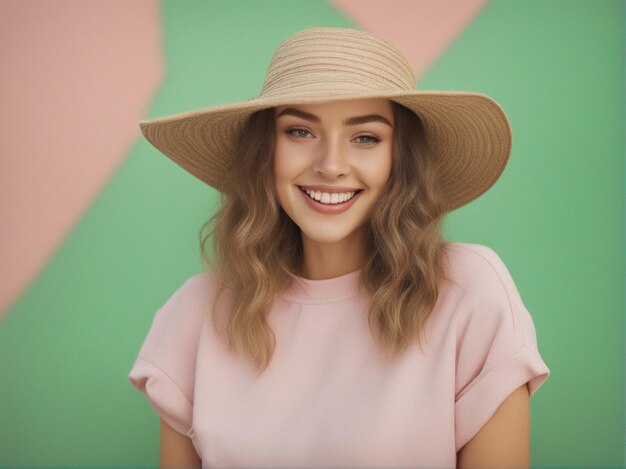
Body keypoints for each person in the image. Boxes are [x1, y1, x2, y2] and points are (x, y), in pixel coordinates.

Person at [128, 27, 550, 468]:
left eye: (365, 137)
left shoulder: (468, 294)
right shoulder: (197, 313)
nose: (330, 165)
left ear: (399, 158)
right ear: (265, 150)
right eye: (299, 131)